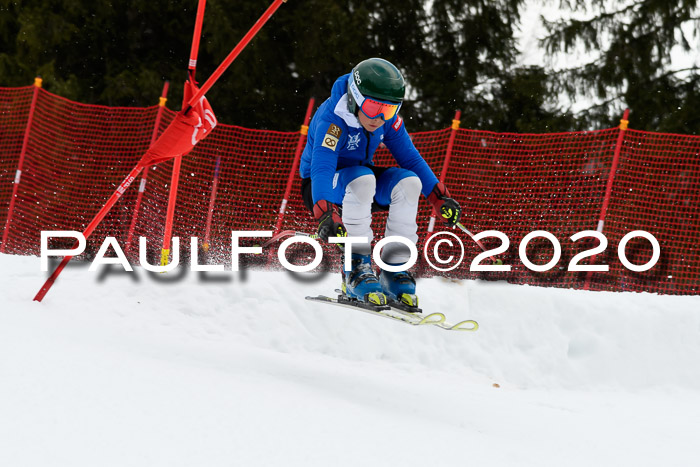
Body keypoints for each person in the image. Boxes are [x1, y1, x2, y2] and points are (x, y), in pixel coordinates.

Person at [299, 58, 462, 309]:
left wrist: (437, 196)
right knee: (363, 179)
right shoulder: (333, 120)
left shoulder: (386, 121)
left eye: (388, 110)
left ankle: (394, 269)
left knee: (409, 183)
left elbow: (409, 157)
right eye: (374, 107)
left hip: (360, 178)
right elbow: (322, 165)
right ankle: (354, 271)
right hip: (320, 186)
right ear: (354, 97)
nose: (379, 118)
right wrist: (324, 210)